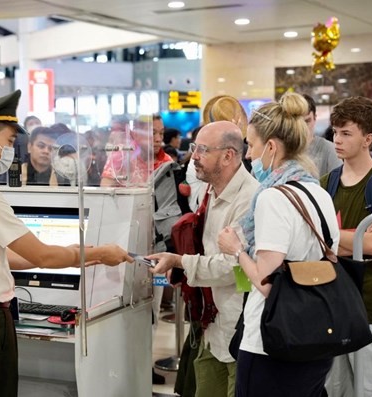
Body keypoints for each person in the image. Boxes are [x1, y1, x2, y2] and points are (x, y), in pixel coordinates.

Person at [0, 90, 132, 397]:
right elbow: (43, 255)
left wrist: (77, 254)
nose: (10, 150)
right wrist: (100, 252)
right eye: (7, 142)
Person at [216, 92, 339, 396]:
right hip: (317, 333)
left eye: (252, 145)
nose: (248, 155)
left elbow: (267, 280)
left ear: (271, 146)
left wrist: (237, 249)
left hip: (272, 340)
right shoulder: (318, 192)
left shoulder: (273, 198)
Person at [147, 121, 259, 397]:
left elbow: (232, 266)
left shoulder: (250, 198)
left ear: (228, 155)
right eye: (195, 147)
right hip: (209, 322)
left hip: (237, 327)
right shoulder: (210, 191)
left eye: (203, 150)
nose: (193, 155)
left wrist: (180, 262)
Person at [321, 96, 372, 397]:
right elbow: (315, 239)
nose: (337, 140)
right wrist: (350, 238)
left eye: (346, 133)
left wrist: (330, 238)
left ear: (368, 138)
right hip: (333, 301)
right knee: (336, 388)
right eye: (335, 132)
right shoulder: (326, 182)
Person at [100, 114, 172, 187]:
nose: (158, 139)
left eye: (161, 133)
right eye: (153, 133)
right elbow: (105, 190)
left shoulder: (166, 162)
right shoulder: (122, 153)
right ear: (136, 133)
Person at [302, 94, 342, 177]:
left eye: (307, 121)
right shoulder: (281, 150)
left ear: (315, 118)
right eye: (297, 122)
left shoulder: (329, 150)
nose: (302, 127)